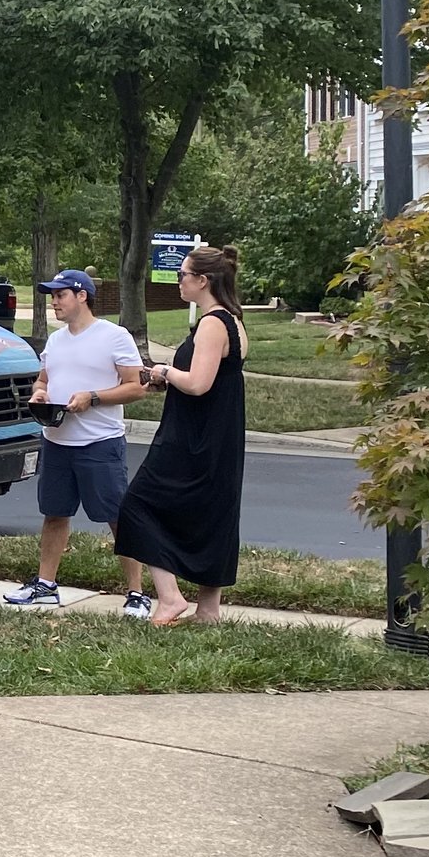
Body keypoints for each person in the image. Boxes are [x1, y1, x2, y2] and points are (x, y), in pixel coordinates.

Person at [4, 270, 152, 611]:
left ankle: (136, 593)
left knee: (117, 516)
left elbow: (136, 386)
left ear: (81, 295)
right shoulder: (56, 340)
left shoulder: (114, 336)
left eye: (60, 295)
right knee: (55, 514)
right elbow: (42, 380)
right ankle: (45, 584)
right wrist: (39, 395)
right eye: (52, 296)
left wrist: (93, 398)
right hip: (56, 440)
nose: (54, 301)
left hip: (100, 442)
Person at [116, 245, 248, 625]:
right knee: (214, 511)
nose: (179, 281)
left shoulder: (212, 323)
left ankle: (171, 599)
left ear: (202, 281)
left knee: (138, 504)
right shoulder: (233, 321)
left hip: (193, 436)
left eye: (183, 275)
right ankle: (208, 610)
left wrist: (162, 372)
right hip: (219, 434)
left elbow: (198, 384)